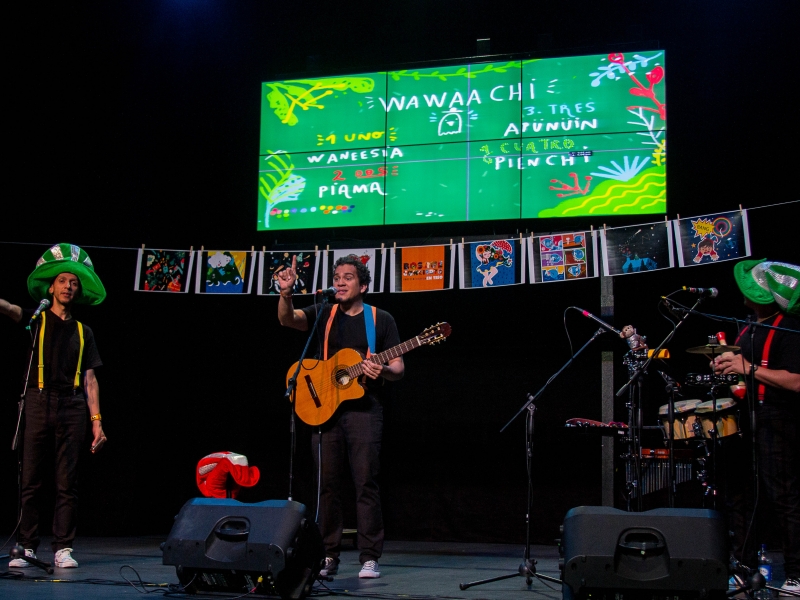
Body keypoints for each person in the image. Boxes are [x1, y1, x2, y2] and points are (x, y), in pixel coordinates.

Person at [277, 254, 404, 579]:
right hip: (324, 408)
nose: (340, 282)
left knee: (365, 483)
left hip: (365, 412)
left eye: (348, 277)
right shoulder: (325, 314)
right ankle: (328, 555)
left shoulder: (380, 318)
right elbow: (287, 320)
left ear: (362, 285)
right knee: (327, 486)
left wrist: (383, 369)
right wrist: (286, 293)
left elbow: (398, 369)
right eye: (337, 277)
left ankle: (369, 557)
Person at [1, 243, 107, 569]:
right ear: (51, 286)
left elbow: (90, 379)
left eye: (74, 283)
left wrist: (97, 421)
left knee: (67, 481)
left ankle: (63, 547)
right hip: (37, 400)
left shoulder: (83, 331)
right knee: (30, 478)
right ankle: (26, 545)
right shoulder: (37, 320)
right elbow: (13, 310)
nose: (68, 287)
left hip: (72, 406)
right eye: (63, 281)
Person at [714, 259, 800, 594]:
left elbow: (794, 381)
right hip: (745, 421)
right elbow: (746, 372)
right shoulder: (749, 328)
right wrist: (727, 364)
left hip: (779, 421)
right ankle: (743, 568)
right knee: (740, 497)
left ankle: (796, 573)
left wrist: (746, 367)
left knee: (784, 498)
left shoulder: (789, 328)